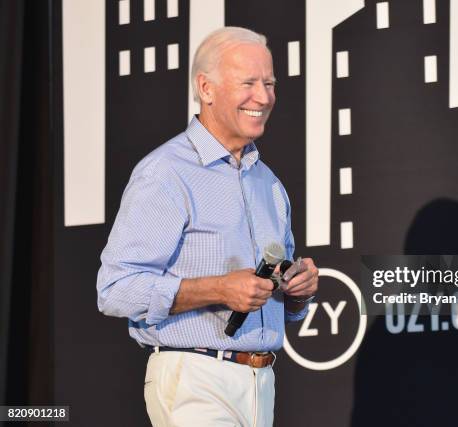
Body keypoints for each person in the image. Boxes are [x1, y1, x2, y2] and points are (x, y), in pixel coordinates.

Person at [96, 26, 318, 427]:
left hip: (261, 382)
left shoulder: (268, 183)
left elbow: (278, 299)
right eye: (248, 83)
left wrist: (297, 291)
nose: (264, 97)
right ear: (206, 88)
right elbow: (114, 290)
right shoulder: (166, 173)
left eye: (269, 83)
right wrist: (218, 288)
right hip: (195, 380)